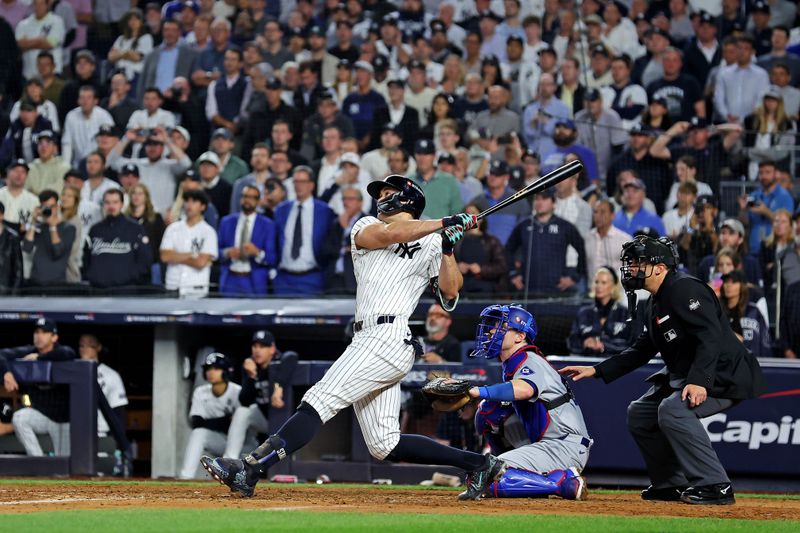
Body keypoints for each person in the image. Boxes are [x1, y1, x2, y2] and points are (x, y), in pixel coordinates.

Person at [201, 175, 506, 501]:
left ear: (407, 199)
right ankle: (480, 463)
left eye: (389, 192)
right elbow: (391, 234)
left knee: (319, 399)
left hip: (388, 335)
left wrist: (447, 248)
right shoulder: (368, 224)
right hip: (369, 335)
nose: (382, 197)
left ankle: (249, 469)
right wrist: (444, 223)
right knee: (384, 443)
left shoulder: (433, 240)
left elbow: (450, 291)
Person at [560, 235, 766, 505]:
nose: (631, 268)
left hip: (724, 373)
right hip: (690, 374)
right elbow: (642, 350)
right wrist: (597, 370)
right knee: (640, 413)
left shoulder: (684, 288)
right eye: (630, 263)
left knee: (672, 410)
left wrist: (699, 381)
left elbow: (710, 335)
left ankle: (715, 485)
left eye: (637, 262)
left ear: (659, 268)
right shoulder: (653, 302)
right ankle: (671, 483)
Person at [461, 304, 589, 500]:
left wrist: (477, 391)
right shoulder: (514, 363)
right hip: (548, 443)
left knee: (487, 477)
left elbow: (525, 389)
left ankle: (562, 483)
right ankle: (512, 469)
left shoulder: (529, 358)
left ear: (520, 336)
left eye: (502, 325)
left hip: (563, 446)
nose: (492, 330)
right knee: (489, 410)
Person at [3, 318, 77, 457]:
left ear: (54, 337)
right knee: (19, 418)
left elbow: (69, 353)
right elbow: (1, 355)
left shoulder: (61, 352)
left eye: (44, 332)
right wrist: (6, 373)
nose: (39, 336)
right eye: (37, 332)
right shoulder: (29, 351)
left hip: (63, 420)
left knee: (64, 468)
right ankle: (38, 459)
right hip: (42, 415)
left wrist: (39, 358)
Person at [223, 331, 299, 459]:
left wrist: (278, 388)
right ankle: (229, 460)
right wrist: (251, 376)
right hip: (265, 419)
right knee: (242, 412)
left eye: (263, 346)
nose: (258, 350)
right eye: (255, 346)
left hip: (285, 420)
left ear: (272, 349)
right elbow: (244, 401)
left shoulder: (280, 361)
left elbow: (292, 356)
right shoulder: (251, 366)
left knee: (286, 460)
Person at [506, 190, 586, 297]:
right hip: (528, 290)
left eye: (544, 199)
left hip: (556, 290)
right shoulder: (524, 225)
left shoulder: (564, 226)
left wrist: (574, 277)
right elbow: (508, 250)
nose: (539, 202)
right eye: (537, 199)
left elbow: (582, 249)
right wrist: (513, 273)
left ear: (553, 203)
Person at [179, 352, 242, 479]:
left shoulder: (237, 391)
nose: (211, 372)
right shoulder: (200, 392)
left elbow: (238, 426)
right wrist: (225, 421)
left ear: (226, 371)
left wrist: (211, 422)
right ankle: (186, 477)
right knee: (199, 433)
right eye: (208, 369)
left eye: (216, 369)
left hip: (245, 447)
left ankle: (231, 477)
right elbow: (196, 422)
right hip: (220, 441)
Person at [78, 333, 133, 477]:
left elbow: (119, 412)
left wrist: (119, 443)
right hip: (75, 433)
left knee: (101, 476)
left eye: (89, 346)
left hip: (102, 435)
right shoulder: (73, 372)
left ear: (98, 348)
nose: (84, 349)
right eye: (81, 346)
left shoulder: (111, 375)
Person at [85, 189, 153, 289]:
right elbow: (86, 258)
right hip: (98, 289)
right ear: (103, 205)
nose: (111, 206)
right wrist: (92, 275)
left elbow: (145, 260)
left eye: (115, 202)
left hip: (125, 290)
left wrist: (129, 277)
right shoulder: (95, 230)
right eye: (107, 202)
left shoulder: (135, 228)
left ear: (121, 204)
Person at [217, 185, 276, 296]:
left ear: (258, 201)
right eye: (245, 196)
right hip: (230, 278)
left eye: (252, 197)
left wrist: (257, 253)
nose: (247, 200)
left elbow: (272, 258)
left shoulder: (267, 225)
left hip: (253, 280)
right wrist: (227, 252)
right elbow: (216, 251)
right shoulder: (227, 222)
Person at [160, 189, 218, 298]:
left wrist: (176, 256)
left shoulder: (208, 232)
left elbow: (201, 262)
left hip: (196, 289)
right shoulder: (173, 228)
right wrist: (192, 255)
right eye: (187, 201)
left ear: (203, 206)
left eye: (194, 201)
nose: (189, 205)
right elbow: (165, 256)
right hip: (173, 286)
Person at [568, 266, 633, 355]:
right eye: (596, 282)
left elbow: (630, 344)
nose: (599, 286)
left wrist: (604, 345)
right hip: (586, 361)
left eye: (603, 282)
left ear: (613, 286)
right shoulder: (584, 313)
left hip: (614, 363)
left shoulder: (625, 313)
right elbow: (572, 342)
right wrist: (585, 343)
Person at [738, 160, 795, 256]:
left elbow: (789, 223)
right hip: (754, 249)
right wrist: (743, 209)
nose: (764, 176)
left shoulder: (784, 196)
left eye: (768, 172)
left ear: (776, 174)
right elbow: (744, 222)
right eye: (761, 173)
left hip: (775, 249)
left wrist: (766, 212)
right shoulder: (754, 195)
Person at [22, 190, 76, 287]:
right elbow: (27, 248)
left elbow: (57, 252)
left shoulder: (69, 228)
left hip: (57, 283)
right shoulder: (38, 227)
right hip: (35, 281)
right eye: (45, 207)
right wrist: (33, 221)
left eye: (52, 206)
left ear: (58, 206)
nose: (49, 210)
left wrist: (52, 226)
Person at [454, 203, 507, 294]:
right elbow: (443, 264)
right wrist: (456, 267)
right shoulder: (455, 241)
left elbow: (501, 266)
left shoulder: (491, 241)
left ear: (481, 218)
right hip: (460, 288)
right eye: (467, 214)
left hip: (486, 288)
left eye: (473, 213)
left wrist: (481, 269)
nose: (469, 216)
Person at [719, 270, 772, 358]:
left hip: (747, 363)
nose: (728, 285)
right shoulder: (717, 310)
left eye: (733, 282)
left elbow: (759, 344)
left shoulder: (752, 311)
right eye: (726, 282)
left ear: (742, 286)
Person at [584, 199, 632, 281]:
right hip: (592, 290)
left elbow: (631, 268)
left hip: (616, 290)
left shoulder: (625, 240)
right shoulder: (587, 238)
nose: (598, 216)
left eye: (602, 212)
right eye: (595, 212)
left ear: (612, 216)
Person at [0, 201, 23, 293]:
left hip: (5, 290)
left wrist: (14, 295)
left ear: (1, 216)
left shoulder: (12, 238)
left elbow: (18, 269)